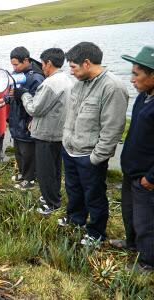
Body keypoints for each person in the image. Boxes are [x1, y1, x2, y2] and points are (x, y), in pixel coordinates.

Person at [60, 42, 128, 246]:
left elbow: (112, 128)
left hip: (90, 156)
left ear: (87, 63)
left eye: (73, 67)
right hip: (70, 150)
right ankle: (76, 219)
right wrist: (66, 142)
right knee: (73, 189)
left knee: (94, 195)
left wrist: (96, 158)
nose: (71, 72)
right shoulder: (78, 84)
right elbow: (71, 116)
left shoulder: (112, 87)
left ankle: (96, 232)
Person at [108, 46, 154, 272]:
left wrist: (151, 178)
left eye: (137, 74)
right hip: (131, 171)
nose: (132, 79)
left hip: (147, 177)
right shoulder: (143, 97)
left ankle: (147, 263)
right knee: (129, 212)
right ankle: (132, 244)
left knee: (147, 221)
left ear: (153, 75)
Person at [21, 48, 73, 214]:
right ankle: (53, 195)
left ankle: (51, 204)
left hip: (46, 135)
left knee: (45, 171)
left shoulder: (50, 83)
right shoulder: (66, 78)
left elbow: (34, 109)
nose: (42, 68)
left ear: (49, 63)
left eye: (42, 64)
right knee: (55, 168)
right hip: (59, 132)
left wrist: (24, 95)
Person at [0, 46, 45, 189]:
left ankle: (29, 179)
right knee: (18, 150)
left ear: (26, 60)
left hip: (26, 121)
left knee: (28, 152)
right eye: (12, 64)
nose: (14, 67)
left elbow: (39, 103)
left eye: (16, 64)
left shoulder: (36, 78)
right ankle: (23, 173)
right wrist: (5, 100)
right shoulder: (16, 74)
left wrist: (31, 120)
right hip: (15, 120)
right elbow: (12, 92)